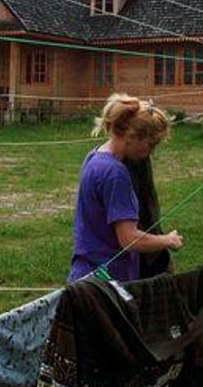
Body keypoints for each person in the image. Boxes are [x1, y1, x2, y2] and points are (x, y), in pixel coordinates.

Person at [68, 93, 183, 283]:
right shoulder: (115, 174)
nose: (151, 151)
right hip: (107, 283)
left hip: (86, 275)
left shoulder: (94, 157)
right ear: (131, 136)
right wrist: (167, 240)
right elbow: (128, 238)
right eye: (151, 144)